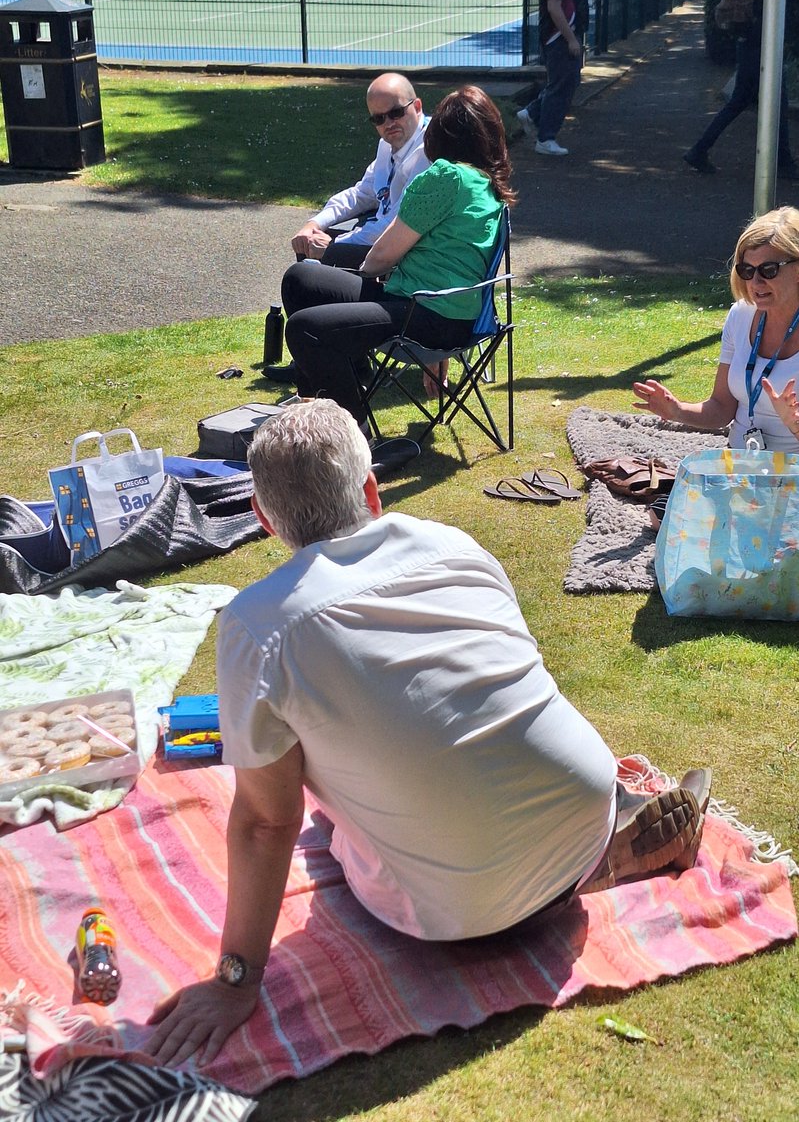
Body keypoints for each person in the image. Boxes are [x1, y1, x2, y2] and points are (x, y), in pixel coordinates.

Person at [143, 397, 711, 1067]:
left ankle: (582, 862)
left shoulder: (258, 625)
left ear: (265, 520)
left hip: (457, 916)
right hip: (585, 812)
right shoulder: (453, 544)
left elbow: (267, 823)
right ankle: (606, 850)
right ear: (371, 491)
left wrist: (234, 982)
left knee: (322, 825)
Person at [633, 206, 799, 575]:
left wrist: (795, 422)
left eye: (768, 270)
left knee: (754, 549)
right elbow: (720, 409)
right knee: (664, 515)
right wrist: (676, 410)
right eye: (746, 270)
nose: (755, 282)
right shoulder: (741, 315)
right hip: (744, 467)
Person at [280, 85, 515, 427]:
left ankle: (353, 437)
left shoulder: (445, 177)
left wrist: (341, 253)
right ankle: (323, 399)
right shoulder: (485, 183)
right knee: (302, 279)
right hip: (446, 310)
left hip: (427, 313)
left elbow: (378, 260)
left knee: (306, 329)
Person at [265, 73, 430, 382]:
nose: (388, 123)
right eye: (379, 119)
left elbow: (393, 227)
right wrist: (315, 223)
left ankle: (327, 360)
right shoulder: (389, 145)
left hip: (400, 253)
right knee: (308, 247)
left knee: (308, 270)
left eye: (396, 112)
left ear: (417, 106)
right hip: (381, 241)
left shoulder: (428, 152)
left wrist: (334, 248)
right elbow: (361, 194)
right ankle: (328, 359)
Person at [683, 0, 799, 180]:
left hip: (751, 46)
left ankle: (700, 150)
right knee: (775, 104)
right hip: (759, 49)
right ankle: (783, 163)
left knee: (741, 102)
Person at [517, 0, 588, 157]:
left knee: (565, 83)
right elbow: (554, 7)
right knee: (561, 87)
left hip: (561, 37)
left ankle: (532, 112)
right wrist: (570, 39)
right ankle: (545, 138)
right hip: (558, 38)